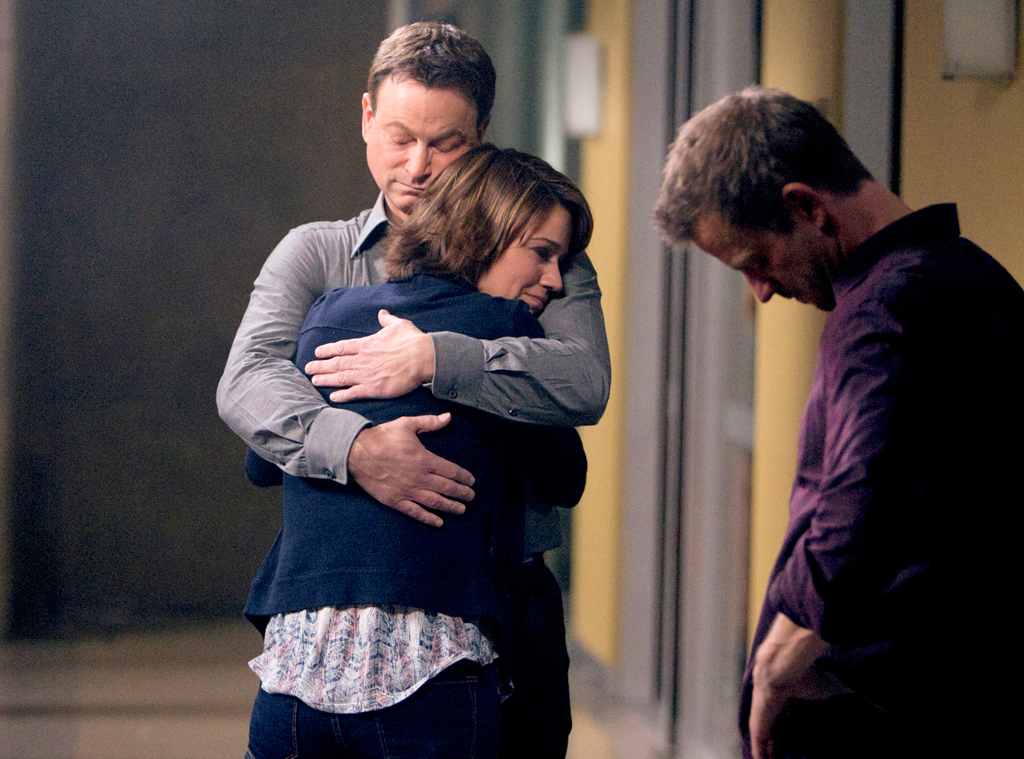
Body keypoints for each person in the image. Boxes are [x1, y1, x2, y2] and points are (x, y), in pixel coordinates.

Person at [217, 23, 609, 758]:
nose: (418, 167)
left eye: (445, 144)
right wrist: (358, 448)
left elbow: (583, 382)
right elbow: (246, 383)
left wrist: (433, 357)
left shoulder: (541, 258)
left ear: (481, 137)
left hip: (501, 594)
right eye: (400, 138)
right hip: (343, 596)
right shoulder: (320, 256)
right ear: (367, 117)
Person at [654, 85, 1023, 759]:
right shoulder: (981, 276)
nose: (762, 290)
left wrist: (778, 661)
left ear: (806, 207)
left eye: (757, 261)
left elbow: (863, 500)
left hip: (875, 712)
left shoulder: (879, 313)